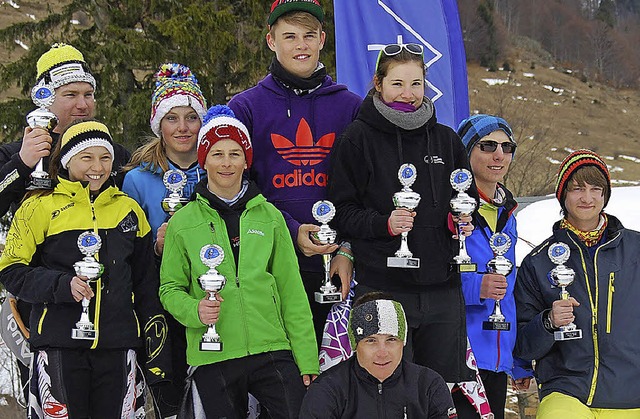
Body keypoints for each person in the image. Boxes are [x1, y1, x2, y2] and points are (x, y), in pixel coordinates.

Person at [0, 120, 170, 417]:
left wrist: (154, 352)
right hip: (58, 344)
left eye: (105, 158)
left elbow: (145, 285)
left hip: (118, 345)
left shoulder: (128, 210)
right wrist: (61, 285)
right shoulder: (37, 206)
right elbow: (11, 271)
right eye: (87, 157)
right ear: (67, 160)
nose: (98, 167)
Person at [327, 43, 475, 384]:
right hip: (384, 287)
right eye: (397, 84)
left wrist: (460, 220)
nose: (408, 94)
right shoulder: (357, 138)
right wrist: (385, 224)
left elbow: (465, 199)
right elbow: (341, 213)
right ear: (378, 84)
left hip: (443, 288)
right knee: (387, 391)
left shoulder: (447, 140)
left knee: (441, 390)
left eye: (416, 84)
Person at [159, 105, 319, 418]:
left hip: (271, 348)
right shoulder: (183, 222)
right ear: (204, 160)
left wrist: (307, 358)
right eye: (217, 154)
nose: (227, 163)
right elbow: (170, 287)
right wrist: (195, 311)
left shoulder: (270, 217)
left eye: (235, 153)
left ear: (246, 160)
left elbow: (291, 290)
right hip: (214, 354)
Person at [0, 42, 131, 404]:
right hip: (35, 304)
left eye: (88, 94)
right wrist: (23, 165)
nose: (83, 104)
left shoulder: (111, 154)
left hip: (106, 311)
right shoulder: (13, 153)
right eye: (70, 94)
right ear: (44, 99)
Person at [227, 0, 362, 344]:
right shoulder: (244, 107)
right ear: (271, 40)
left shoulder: (352, 107)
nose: (300, 45)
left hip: (337, 267)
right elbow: (234, 187)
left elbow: (365, 188)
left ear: (322, 39)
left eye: (308, 35)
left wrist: (345, 248)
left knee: (335, 380)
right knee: (282, 378)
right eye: (289, 36)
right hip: (269, 262)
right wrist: (288, 230)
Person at [514, 149, 640, 418]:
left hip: (631, 392)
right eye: (577, 188)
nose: (587, 197)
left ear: (605, 195)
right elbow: (523, 345)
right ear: (563, 195)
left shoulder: (635, 249)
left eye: (596, 188)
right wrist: (547, 322)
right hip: (567, 391)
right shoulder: (537, 262)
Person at [122, 62, 207, 418]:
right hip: (160, 297)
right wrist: (156, 248)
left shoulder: (219, 167)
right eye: (172, 118)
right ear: (159, 124)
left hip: (210, 294)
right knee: (169, 390)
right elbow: (126, 249)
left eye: (191, 117)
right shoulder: (139, 180)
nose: (183, 128)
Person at [451, 115, 532, 418]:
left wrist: (517, 359)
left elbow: (509, 293)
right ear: (466, 151)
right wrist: (476, 287)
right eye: (487, 146)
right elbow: (427, 275)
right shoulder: (451, 209)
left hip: (496, 362)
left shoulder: (508, 215)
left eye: (507, 147)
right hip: (458, 356)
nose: (499, 155)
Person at [300, 292, 458, 418]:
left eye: (391, 339)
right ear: (356, 344)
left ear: (403, 342)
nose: (382, 353)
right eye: (371, 341)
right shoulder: (328, 389)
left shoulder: (429, 385)